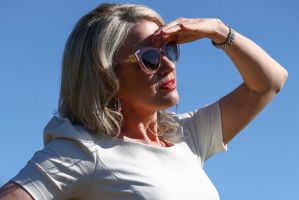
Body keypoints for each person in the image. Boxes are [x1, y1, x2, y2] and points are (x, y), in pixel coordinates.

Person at [0, 3, 288, 200]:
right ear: (107, 78)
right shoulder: (84, 150)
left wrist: (218, 30)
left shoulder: (187, 136)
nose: (168, 65)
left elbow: (269, 82)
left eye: (169, 50)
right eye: (149, 58)